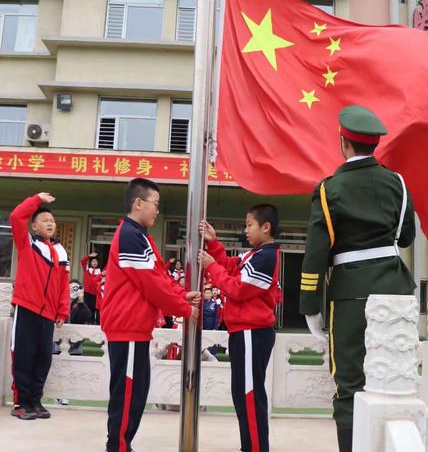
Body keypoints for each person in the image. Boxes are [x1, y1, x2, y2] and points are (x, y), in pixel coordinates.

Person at [299, 105, 416, 452]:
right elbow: (406, 236)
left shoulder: (328, 189)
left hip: (349, 295)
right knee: (397, 381)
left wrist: (309, 306)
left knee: (349, 386)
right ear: (374, 145)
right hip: (396, 290)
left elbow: (315, 254)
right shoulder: (397, 182)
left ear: (343, 142)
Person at [101, 178, 200, 452]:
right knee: (128, 394)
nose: (157, 210)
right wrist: (183, 308)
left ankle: (122, 445)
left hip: (135, 329)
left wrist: (182, 297)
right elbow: (151, 284)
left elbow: (159, 277)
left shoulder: (139, 235)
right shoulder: (130, 235)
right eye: (155, 204)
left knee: (135, 392)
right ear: (138, 203)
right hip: (127, 327)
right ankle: (118, 447)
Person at [199, 204, 281, 452]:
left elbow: (237, 288)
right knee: (243, 395)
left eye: (249, 225)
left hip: (251, 332)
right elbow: (229, 265)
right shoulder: (254, 255)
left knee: (249, 396)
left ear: (265, 227)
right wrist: (213, 243)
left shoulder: (267, 256)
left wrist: (211, 266)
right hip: (244, 332)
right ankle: (250, 446)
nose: (246, 230)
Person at [9, 192, 70, 420]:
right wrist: (37, 200)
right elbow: (16, 217)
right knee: (24, 356)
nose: (50, 223)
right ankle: (21, 403)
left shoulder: (61, 252)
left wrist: (62, 311)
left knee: (43, 358)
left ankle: (35, 401)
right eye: (44, 221)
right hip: (27, 309)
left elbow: (64, 285)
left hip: (49, 315)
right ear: (34, 226)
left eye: (52, 221)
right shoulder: (27, 244)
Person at [80, 252, 101, 324]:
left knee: (93, 309)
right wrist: (89, 256)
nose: (94, 263)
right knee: (85, 308)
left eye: (96, 261)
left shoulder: (100, 272)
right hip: (86, 293)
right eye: (93, 261)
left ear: (98, 263)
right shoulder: (87, 269)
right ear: (91, 262)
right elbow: (82, 261)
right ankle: (85, 322)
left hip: (95, 294)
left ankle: (92, 322)